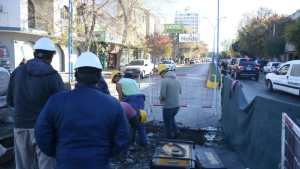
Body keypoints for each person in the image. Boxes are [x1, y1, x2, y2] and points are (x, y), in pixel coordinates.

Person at [35, 52, 130, 169]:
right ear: (99, 75)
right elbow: (123, 137)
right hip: (99, 163)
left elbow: (41, 133)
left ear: (76, 74)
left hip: (66, 163)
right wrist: (106, 154)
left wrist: (58, 152)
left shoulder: (56, 101)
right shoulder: (112, 104)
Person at [6, 37, 65, 169]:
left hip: (20, 126)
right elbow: (62, 106)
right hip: (44, 129)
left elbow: (10, 101)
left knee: (22, 165)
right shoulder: (53, 76)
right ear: (51, 56)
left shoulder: (17, 72)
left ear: (34, 53)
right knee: (47, 165)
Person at [112, 71, 147, 146]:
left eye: (114, 81)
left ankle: (130, 142)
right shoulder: (132, 81)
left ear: (116, 77)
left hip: (131, 102)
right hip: (141, 100)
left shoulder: (119, 83)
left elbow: (121, 98)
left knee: (130, 122)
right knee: (140, 120)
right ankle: (144, 142)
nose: (114, 82)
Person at [159, 64, 182, 139]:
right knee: (171, 119)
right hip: (177, 106)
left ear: (163, 72)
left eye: (160, 74)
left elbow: (163, 95)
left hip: (168, 106)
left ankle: (169, 138)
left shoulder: (164, 81)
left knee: (167, 123)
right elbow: (180, 91)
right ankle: (177, 132)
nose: (160, 76)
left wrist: (161, 100)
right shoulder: (176, 79)